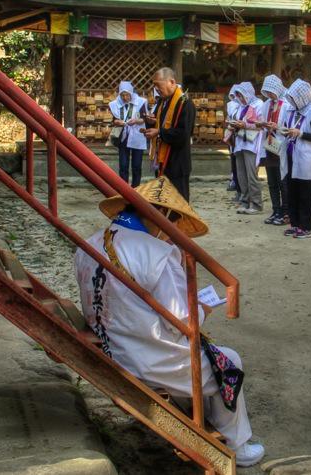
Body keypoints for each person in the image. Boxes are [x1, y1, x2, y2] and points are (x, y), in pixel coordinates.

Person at [73, 177, 265, 467]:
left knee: (209, 356)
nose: (170, 230)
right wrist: (201, 309)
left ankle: (207, 418)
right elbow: (181, 321)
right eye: (172, 220)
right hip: (146, 358)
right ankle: (238, 444)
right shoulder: (158, 254)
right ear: (161, 215)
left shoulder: (89, 243)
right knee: (230, 361)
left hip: (112, 343)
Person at [280, 79, 311, 239]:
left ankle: (306, 226)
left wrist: (300, 133)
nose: (292, 101)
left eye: (294, 98)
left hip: (306, 158)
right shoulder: (292, 110)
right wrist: (283, 130)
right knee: (292, 191)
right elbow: (287, 125)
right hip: (292, 154)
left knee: (305, 193)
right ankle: (295, 223)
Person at [144, 68, 196, 200]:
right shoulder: (162, 102)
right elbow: (159, 124)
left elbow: (183, 134)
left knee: (178, 201)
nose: (156, 89)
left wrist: (159, 132)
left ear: (171, 82)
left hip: (177, 161)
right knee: (163, 200)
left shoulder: (185, 104)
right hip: (162, 160)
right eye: (154, 85)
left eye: (158, 85)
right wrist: (151, 123)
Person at [255, 75, 289, 225]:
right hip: (269, 145)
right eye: (267, 92)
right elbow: (262, 119)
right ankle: (275, 209)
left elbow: (290, 126)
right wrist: (261, 124)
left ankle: (285, 211)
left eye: (271, 92)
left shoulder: (287, 104)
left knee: (283, 181)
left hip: (281, 144)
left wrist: (278, 128)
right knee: (272, 181)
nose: (269, 95)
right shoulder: (267, 103)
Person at [230, 82, 263, 215]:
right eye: (238, 96)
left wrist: (245, 125)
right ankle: (245, 201)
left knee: (251, 174)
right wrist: (234, 125)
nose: (240, 98)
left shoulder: (259, 104)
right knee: (241, 175)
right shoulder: (240, 106)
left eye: (242, 95)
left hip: (251, 143)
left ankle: (256, 203)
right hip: (240, 142)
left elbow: (261, 125)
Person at [109, 81, 148, 187]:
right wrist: (118, 122)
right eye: (122, 95)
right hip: (123, 137)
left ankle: (136, 188)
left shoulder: (140, 102)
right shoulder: (115, 104)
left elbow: (144, 119)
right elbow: (114, 120)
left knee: (136, 165)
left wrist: (136, 121)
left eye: (127, 95)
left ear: (131, 92)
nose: (125, 97)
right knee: (123, 165)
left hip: (137, 136)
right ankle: (124, 188)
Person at [226, 85, 241, 193]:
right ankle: (234, 181)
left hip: (240, 137)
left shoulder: (244, 106)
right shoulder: (230, 105)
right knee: (233, 160)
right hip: (232, 136)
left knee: (239, 163)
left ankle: (240, 188)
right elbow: (229, 117)